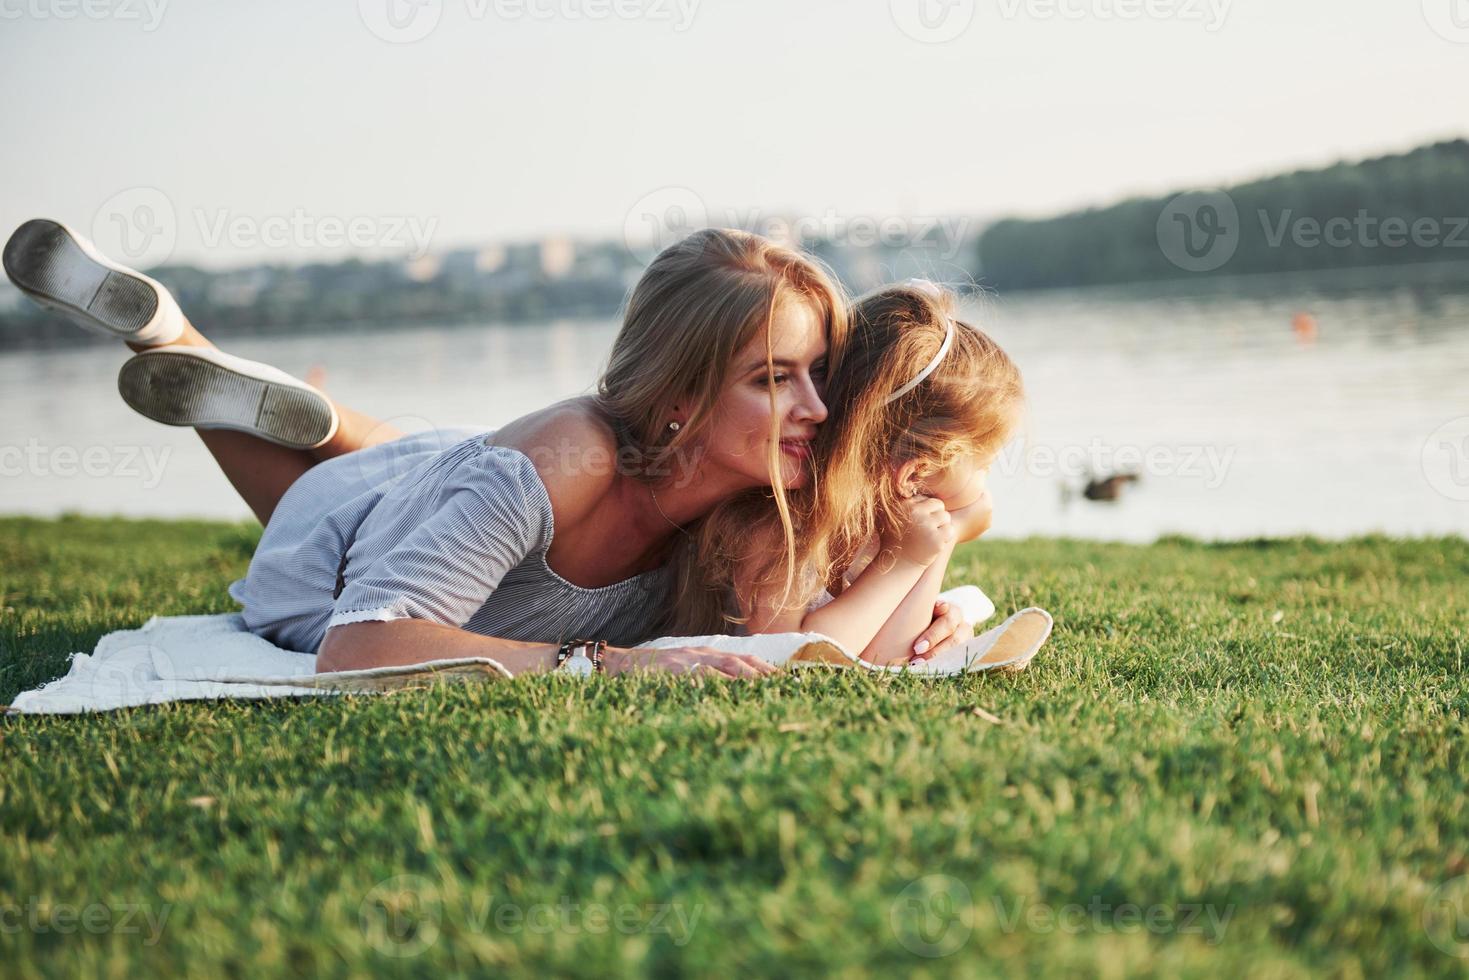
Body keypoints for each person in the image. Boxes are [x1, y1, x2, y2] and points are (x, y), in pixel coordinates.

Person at [4, 219, 849, 679]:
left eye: (816, 373)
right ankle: (170, 332)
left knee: (403, 464)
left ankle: (174, 334)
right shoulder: (567, 467)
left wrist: (942, 555)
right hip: (345, 557)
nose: (815, 406)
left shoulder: (751, 509)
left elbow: (816, 638)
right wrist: (601, 662)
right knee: (317, 517)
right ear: (679, 398)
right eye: (773, 379)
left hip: (440, 474)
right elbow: (359, 642)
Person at [710, 279, 1025, 666]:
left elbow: (893, 656)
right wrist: (908, 560)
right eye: (983, 466)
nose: (985, 485)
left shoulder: (884, 527)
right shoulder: (778, 529)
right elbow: (800, 656)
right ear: (914, 474)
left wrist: (939, 541)